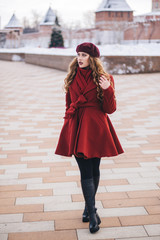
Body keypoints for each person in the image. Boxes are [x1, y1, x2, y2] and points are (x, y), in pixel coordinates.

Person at [55, 42, 124, 233]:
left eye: (84, 55)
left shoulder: (105, 78)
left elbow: (110, 109)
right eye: (78, 54)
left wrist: (108, 89)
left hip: (96, 127)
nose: (80, 58)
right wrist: (69, 125)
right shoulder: (72, 77)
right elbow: (68, 104)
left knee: (95, 168)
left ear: (92, 58)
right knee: (85, 171)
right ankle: (93, 214)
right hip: (77, 127)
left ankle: (87, 208)